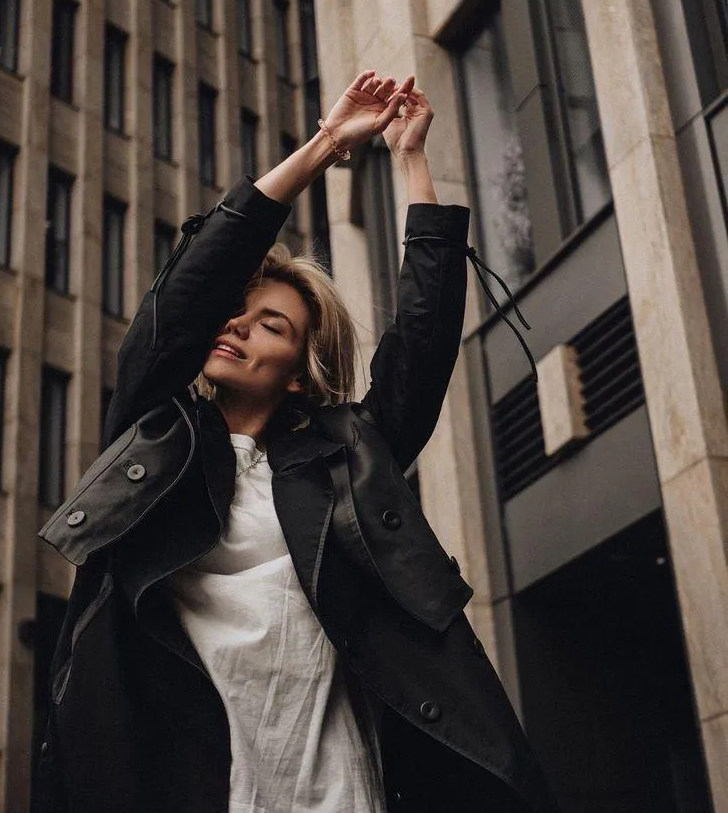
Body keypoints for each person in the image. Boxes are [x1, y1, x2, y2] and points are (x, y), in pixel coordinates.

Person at [35, 71, 559, 813]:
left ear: (298, 376)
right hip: (187, 785)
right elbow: (184, 298)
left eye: (271, 325)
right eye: (235, 311)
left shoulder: (348, 457)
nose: (238, 325)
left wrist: (410, 158)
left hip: (334, 792)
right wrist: (324, 146)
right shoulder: (155, 438)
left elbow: (422, 342)